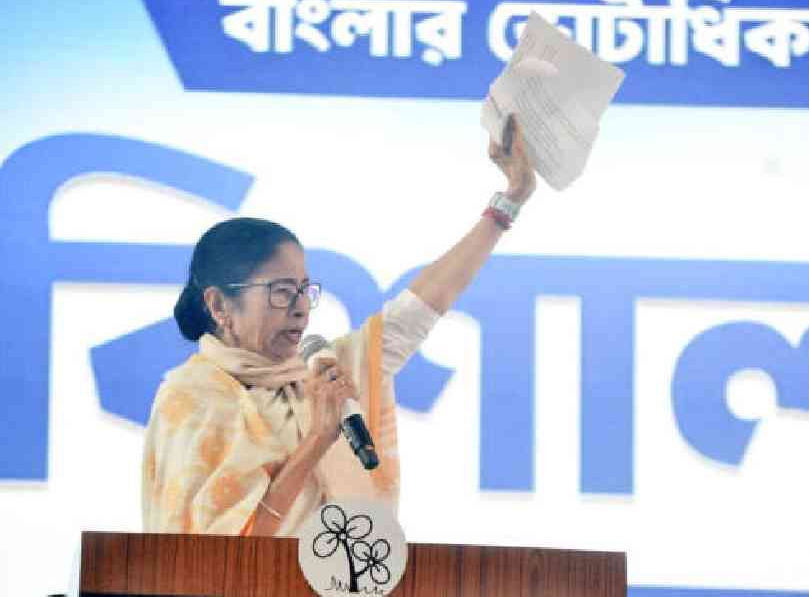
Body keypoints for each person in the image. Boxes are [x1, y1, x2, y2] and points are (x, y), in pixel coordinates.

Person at [142, 116, 537, 536]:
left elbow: (421, 307)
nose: (300, 310)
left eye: (304, 291)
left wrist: (509, 201)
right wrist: (319, 438)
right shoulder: (189, 399)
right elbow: (215, 559)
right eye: (280, 291)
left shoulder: (323, 375)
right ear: (219, 304)